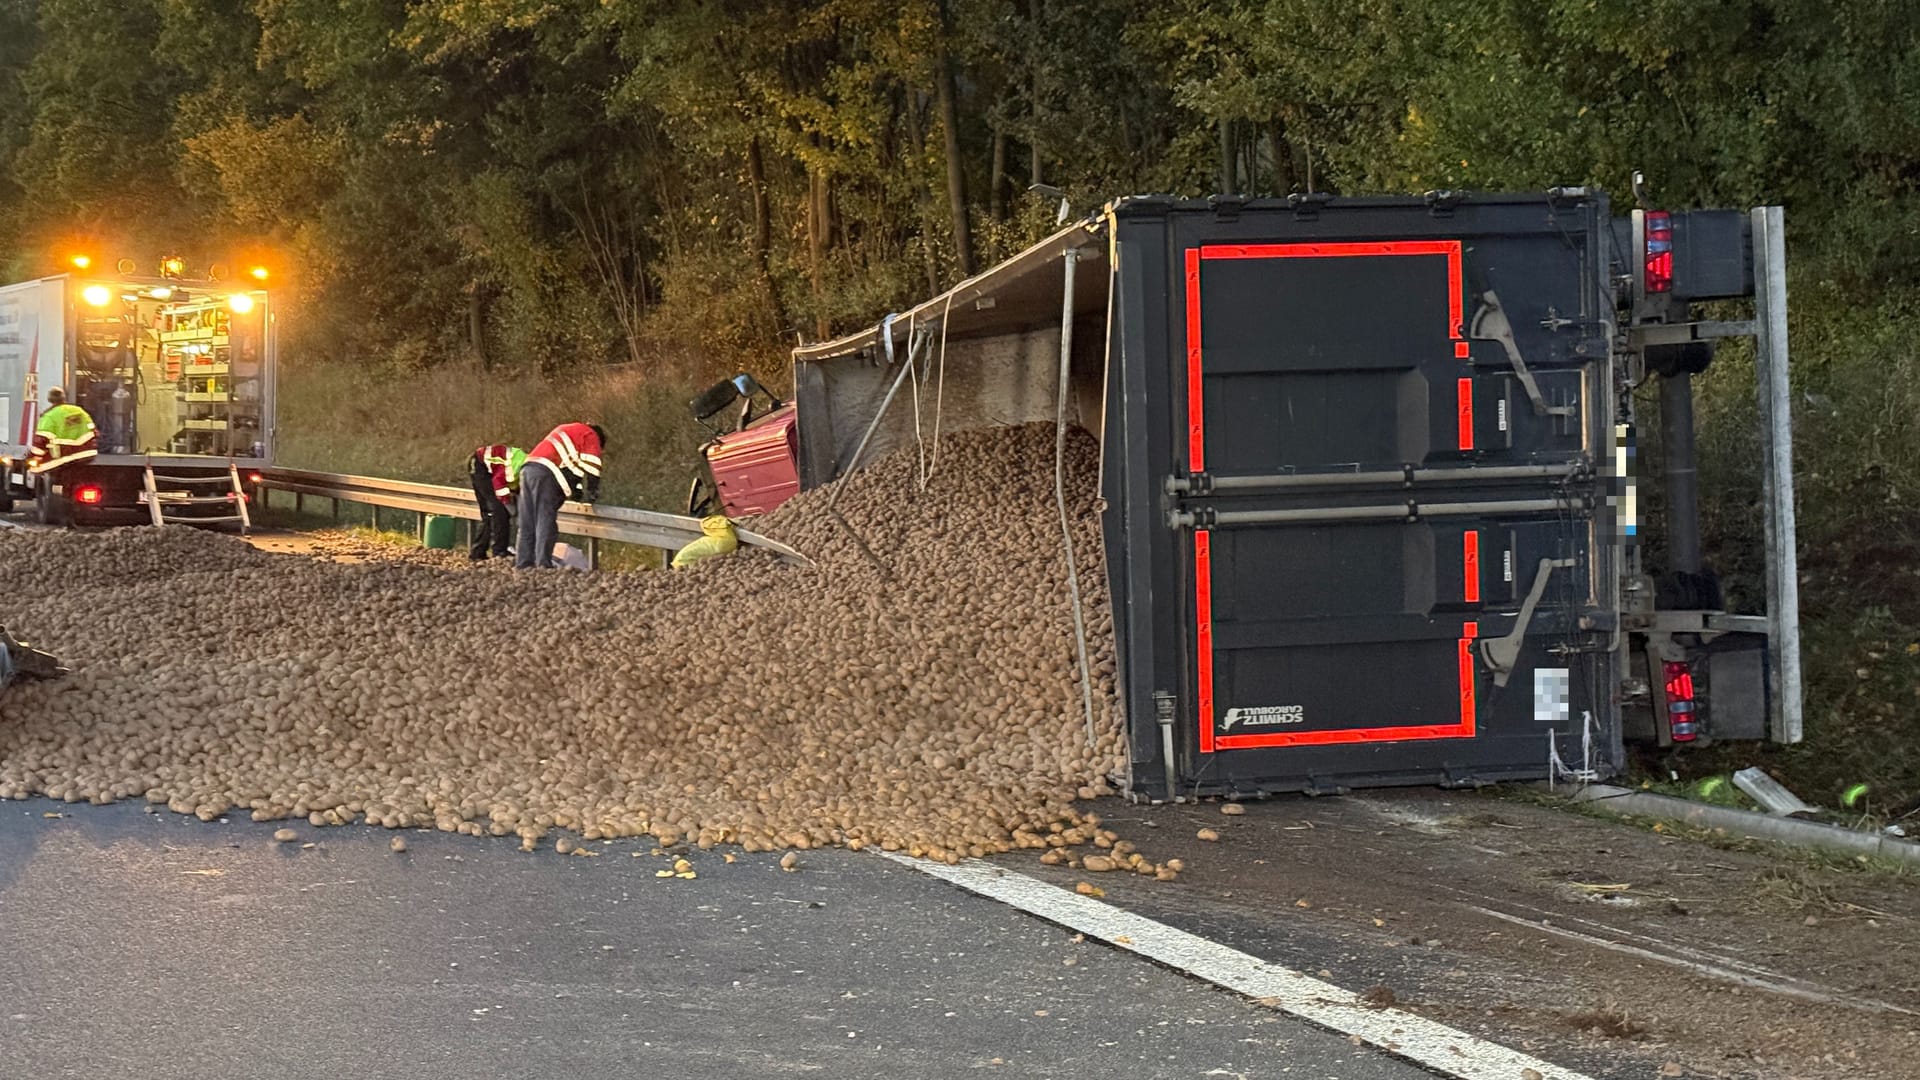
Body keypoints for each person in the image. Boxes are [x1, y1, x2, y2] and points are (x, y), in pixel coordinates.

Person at [515, 422, 606, 569]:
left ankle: (524, 563)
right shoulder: (591, 435)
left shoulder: (572, 431)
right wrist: (592, 491)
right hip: (546, 472)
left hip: (528, 468)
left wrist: (576, 490)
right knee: (545, 519)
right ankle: (543, 564)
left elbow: (572, 471)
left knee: (528, 520)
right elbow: (593, 466)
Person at [469, 442, 526, 561]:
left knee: (489, 514)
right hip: (481, 466)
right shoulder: (517, 466)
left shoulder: (523, 464)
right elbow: (498, 482)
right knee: (499, 510)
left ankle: (478, 552)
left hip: (479, 464)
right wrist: (506, 501)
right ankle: (499, 551)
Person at [28, 389, 98, 474]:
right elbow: (94, 431)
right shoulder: (79, 411)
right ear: (64, 398)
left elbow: (41, 441)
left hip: (63, 459)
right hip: (87, 456)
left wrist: (35, 456)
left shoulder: (49, 416)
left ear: (49, 399)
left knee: (34, 469)